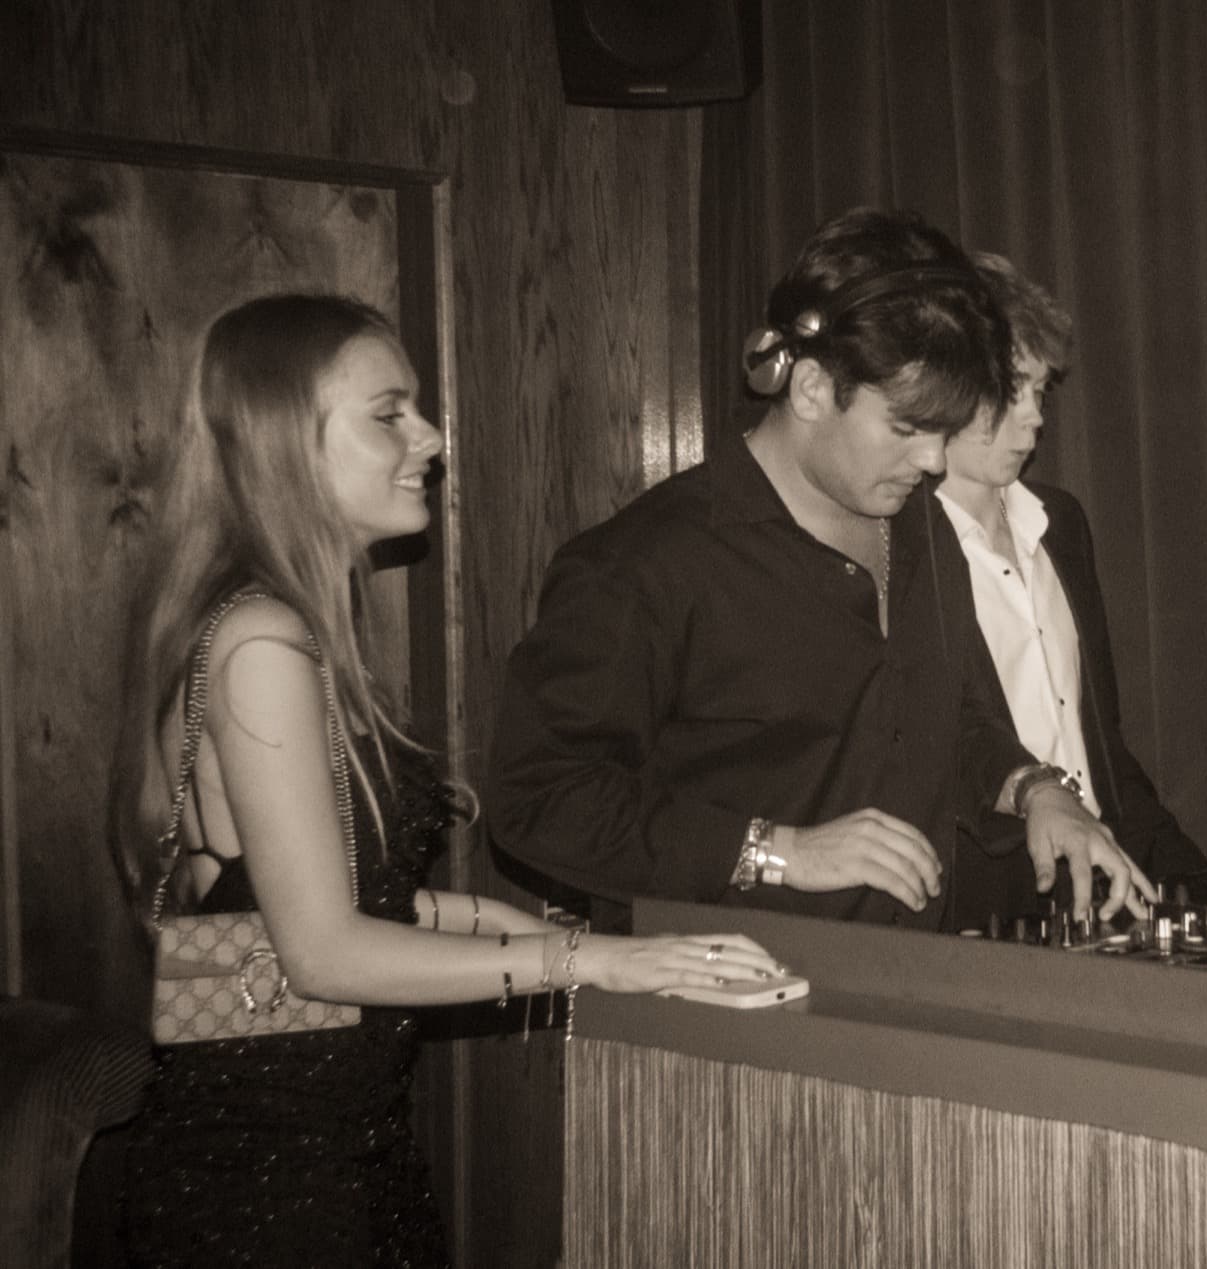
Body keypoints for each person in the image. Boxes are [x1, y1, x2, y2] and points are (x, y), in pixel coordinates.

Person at [111, 293, 779, 1267]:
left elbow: (298, 905)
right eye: (389, 413)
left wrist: (524, 928)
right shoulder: (262, 641)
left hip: (334, 1151)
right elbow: (324, 956)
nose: (428, 436)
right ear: (281, 442)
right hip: (265, 1185)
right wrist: (586, 964)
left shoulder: (279, 627)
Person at [486, 208, 1154, 935]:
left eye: (945, 432)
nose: (933, 461)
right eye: (907, 428)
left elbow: (940, 717)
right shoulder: (647, 564)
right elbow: (537, 797)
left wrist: (1031, 789)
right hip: (721, 1015)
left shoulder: (922, 528)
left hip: (901, 990)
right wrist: (775, 851)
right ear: (808, 389)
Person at [936, 253, 1207, 925]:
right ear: (948, 383)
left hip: (1098, 881)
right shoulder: (899, 547)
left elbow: (1099, 748)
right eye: (1015, 388)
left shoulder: (1061, 524)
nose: (1035, 417)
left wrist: (1204, 887)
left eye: (1042, 391)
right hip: (983, 903)